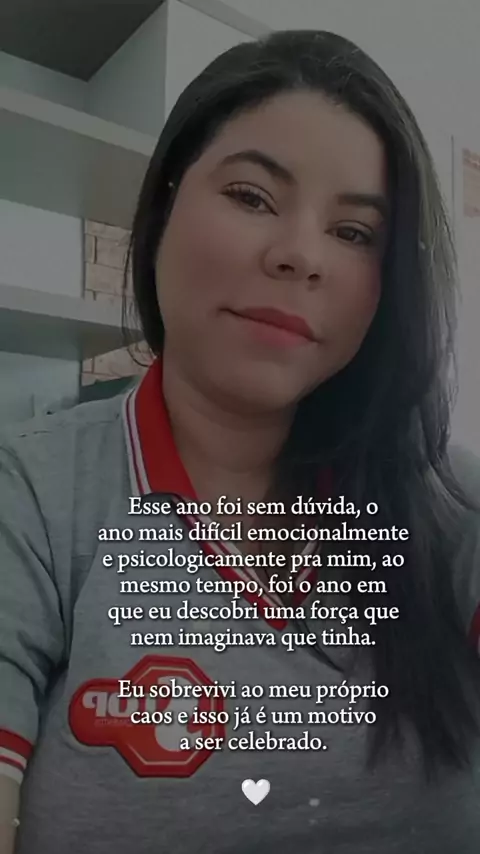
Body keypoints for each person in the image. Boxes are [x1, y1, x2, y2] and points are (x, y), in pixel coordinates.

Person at [1, 28, 480, 854]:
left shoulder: (451, 510)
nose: (299, 256)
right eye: (253, 197)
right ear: (164, 205)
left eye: (355, 233)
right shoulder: (35, 495)